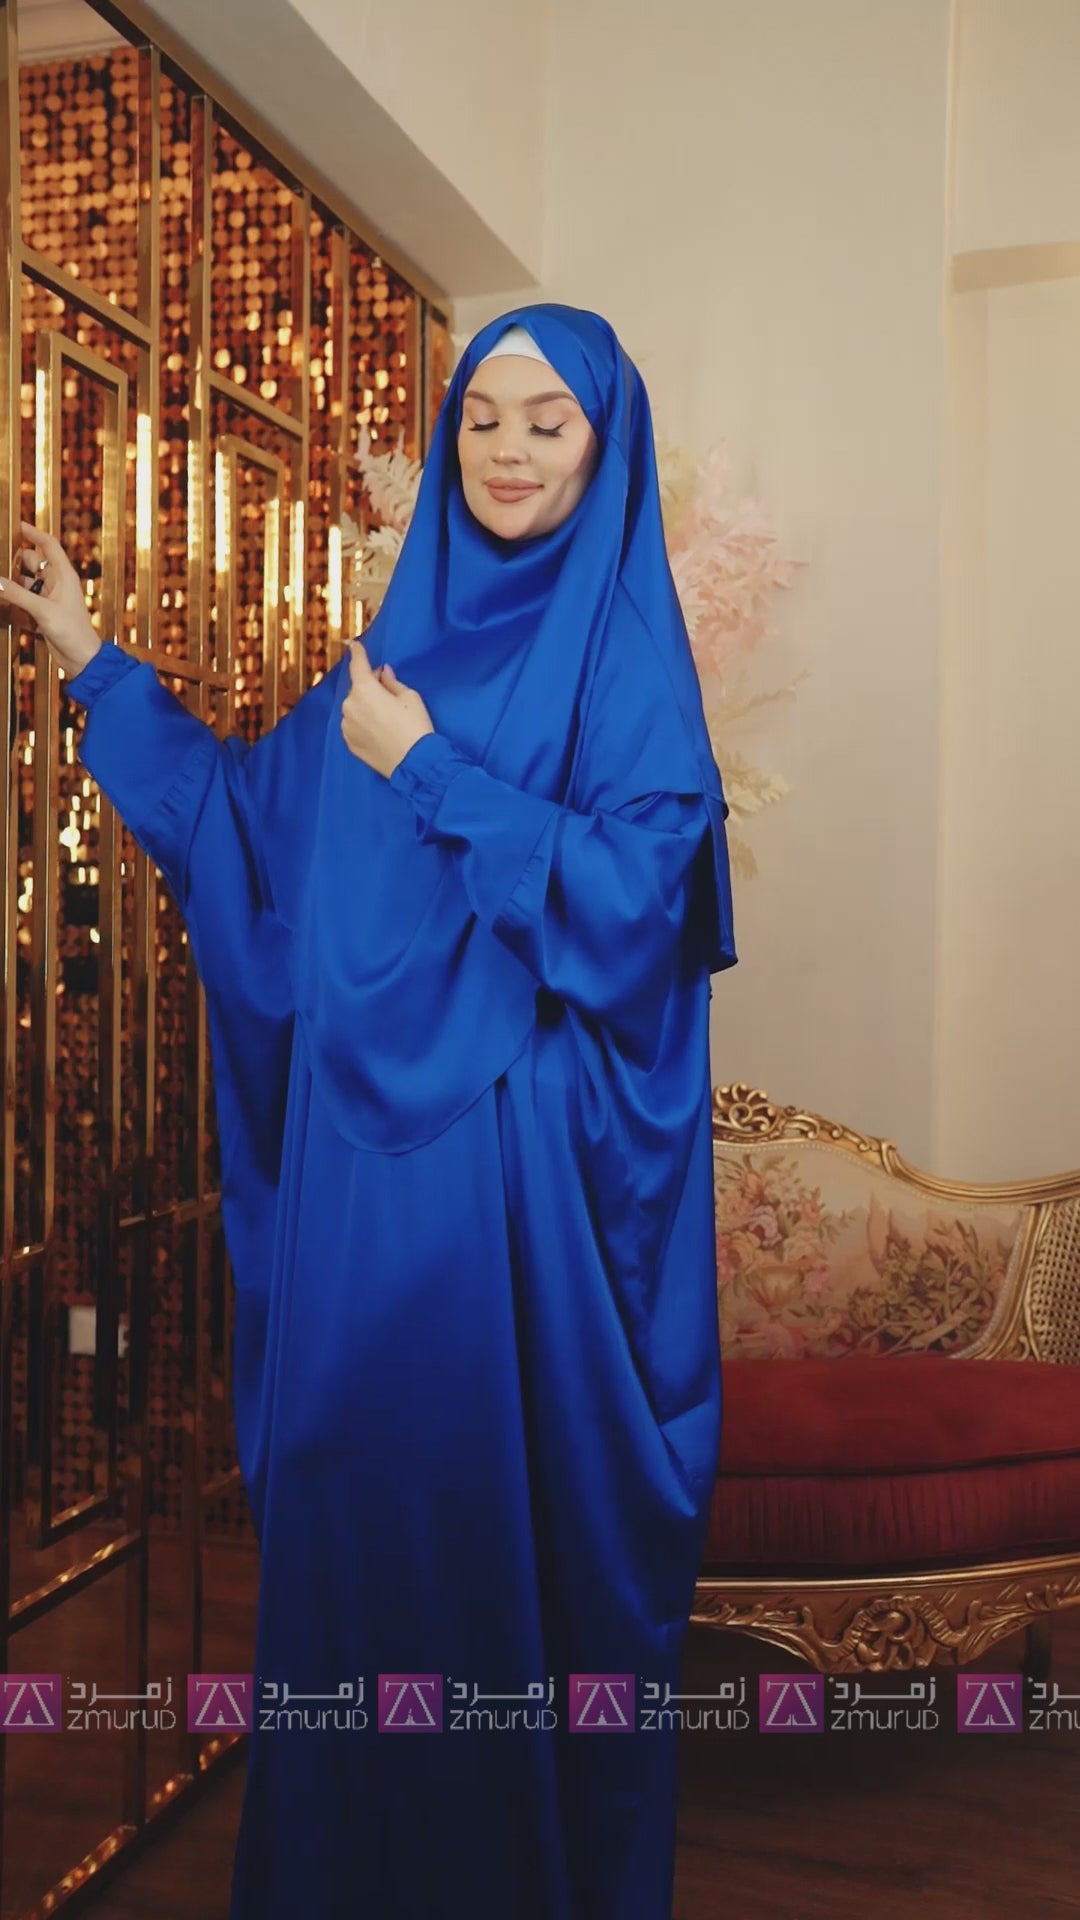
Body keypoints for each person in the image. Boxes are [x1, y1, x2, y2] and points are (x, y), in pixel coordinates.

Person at [0, 302, 736, 1919]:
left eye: (548, 421)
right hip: (358, 1195)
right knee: (362, 1543)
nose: (508, 450)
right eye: (483, 418)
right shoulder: (390, 658)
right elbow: (244, 831)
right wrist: (92, 660)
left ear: (606, 446)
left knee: (496, 1545)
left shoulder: (621, 666)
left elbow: (638, 907)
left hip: (517, 1204)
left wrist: (432, 776)